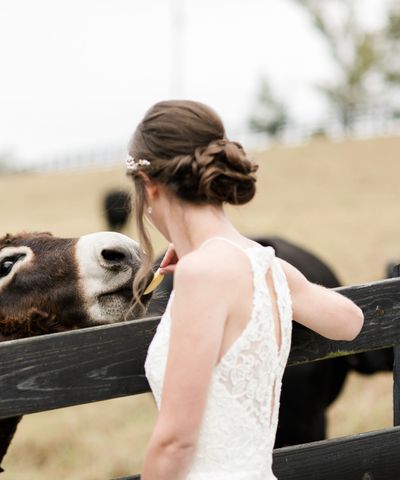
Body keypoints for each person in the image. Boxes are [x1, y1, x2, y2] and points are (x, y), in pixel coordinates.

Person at [126, 100, 364, 479]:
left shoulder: (201, 274)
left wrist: (196, 259)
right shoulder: (268, 266)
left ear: (149, 186)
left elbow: (176, 442)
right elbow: (351, 321)